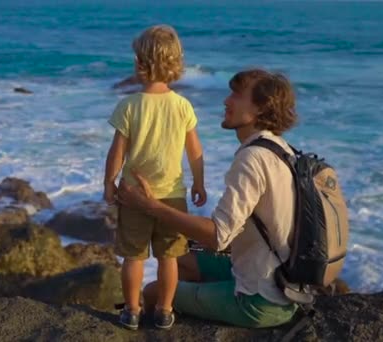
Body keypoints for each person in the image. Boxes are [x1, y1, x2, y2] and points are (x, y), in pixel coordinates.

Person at [118, 69, 300, 328]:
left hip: (259, 299)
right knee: (177, 260)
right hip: (279, 279)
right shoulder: (282, 150)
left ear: (261, 109)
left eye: (236, 95)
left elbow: (218, 236)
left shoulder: (252, 158)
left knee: (154, 292)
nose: (226, 101)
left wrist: (151, 206)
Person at [103, 24, 207, 330]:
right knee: (169, 258)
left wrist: (109, 183)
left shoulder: (130, 105)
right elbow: (195, 151)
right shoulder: (182, 105)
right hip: (172, 196)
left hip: (134, 194)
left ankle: (132, 311)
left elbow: (117, 152)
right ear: (177, 64)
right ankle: (164, 310)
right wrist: (199, 183)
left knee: (133, 258)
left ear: (139, 64)